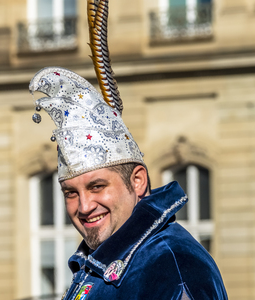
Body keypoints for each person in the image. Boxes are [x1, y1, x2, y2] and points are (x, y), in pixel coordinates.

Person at [28, 1, 228, 299]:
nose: (83, 207)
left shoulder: (171, 263)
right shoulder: (98, 262)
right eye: (71, 192)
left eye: (97, 186)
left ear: (137, 181)